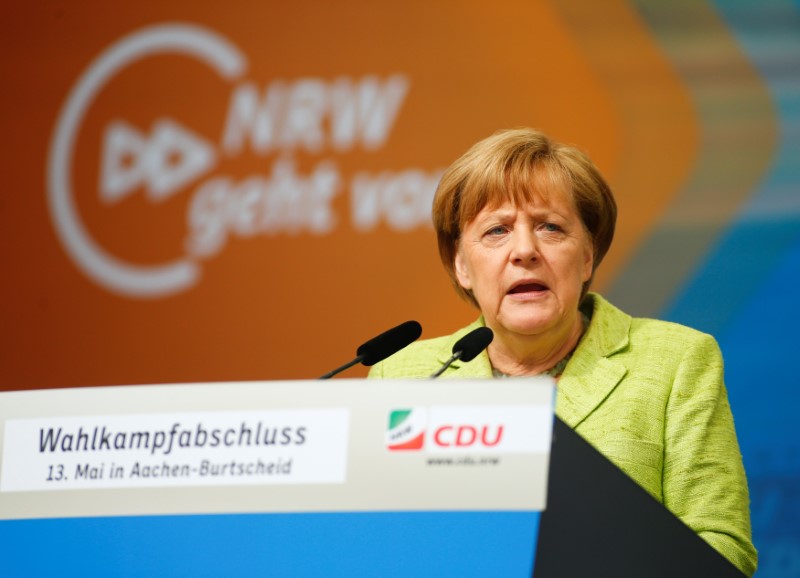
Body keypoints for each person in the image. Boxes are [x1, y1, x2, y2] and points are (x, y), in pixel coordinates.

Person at [368, 128, 758, 576]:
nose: (525, 251)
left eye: (550, 227)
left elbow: (722, 549)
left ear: (588, 255)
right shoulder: (405, 378)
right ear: (461, 265)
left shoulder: (675, 360)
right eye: (496, 231)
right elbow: (380, 545)